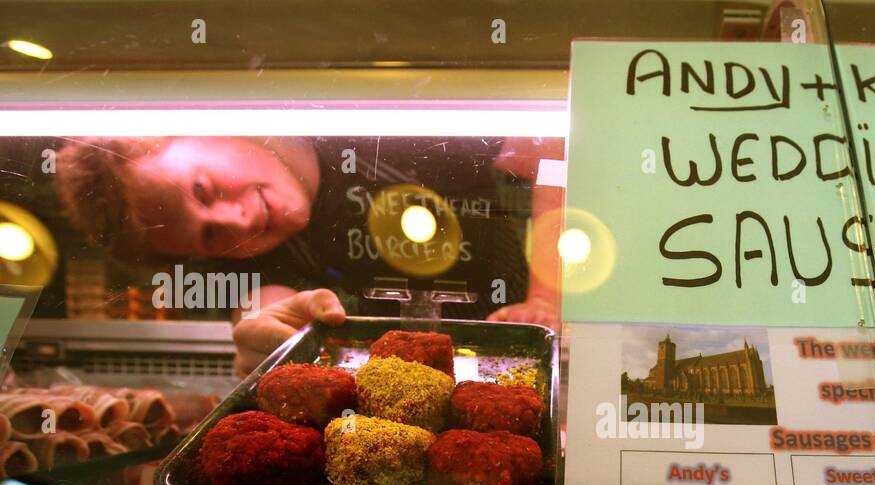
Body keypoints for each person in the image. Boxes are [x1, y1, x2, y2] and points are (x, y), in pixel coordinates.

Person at [52, 135, 559, 374]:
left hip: (545, 354)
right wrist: (265, 343)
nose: (236, 222)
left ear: (204, 125)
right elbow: (265, 309)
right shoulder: (262, 259)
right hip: (462, 386)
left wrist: (547, 299)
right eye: (209, 238)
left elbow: (557, 148)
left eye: (203, 189)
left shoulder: (366, 121)